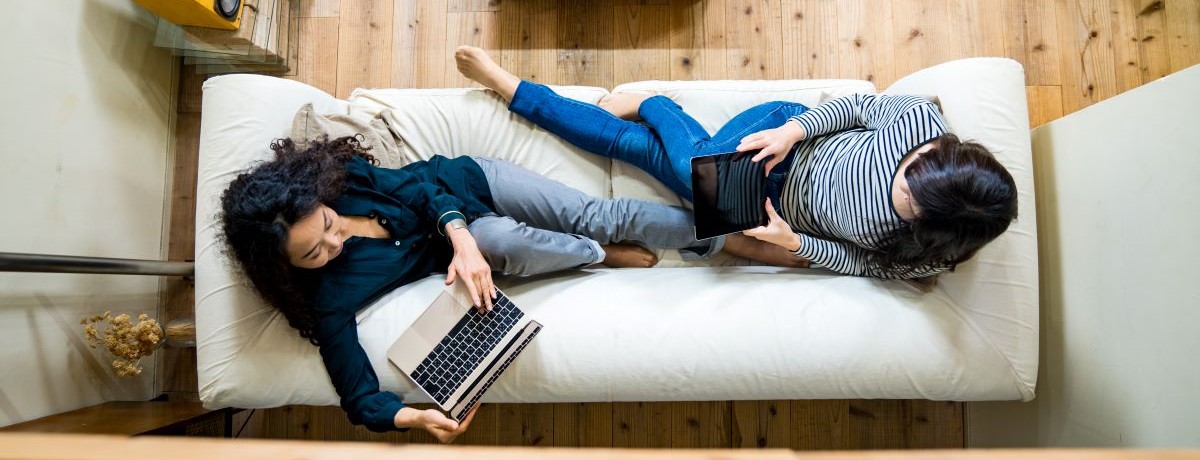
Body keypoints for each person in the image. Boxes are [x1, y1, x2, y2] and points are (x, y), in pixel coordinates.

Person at [218, 136, 720, 440]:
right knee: (500, 238)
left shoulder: (344, 181)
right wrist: (412, 420)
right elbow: (358, 395)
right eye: (314, 253)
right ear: (287, 268)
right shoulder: (329, 298)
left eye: (329, 223)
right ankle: (597, 252)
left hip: (469, 185)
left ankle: (729, 225)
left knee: (600, 215)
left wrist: (458, 233)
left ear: (322, 200)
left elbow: (421, 189)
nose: (336, 240)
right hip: (483, 240)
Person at [454, 46, 1019, 279]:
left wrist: (792, 242)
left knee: (635, 148)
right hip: (783, 137)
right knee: (696, 159)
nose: (902, 178)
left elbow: (861, 263)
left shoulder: (924, 256)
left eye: (908, 200)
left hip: (766, 209)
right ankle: (656, 102)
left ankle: (512, 88)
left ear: (930, 227)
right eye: (913, 165)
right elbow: (855, 107)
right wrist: (792, 129)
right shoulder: (922, 124)